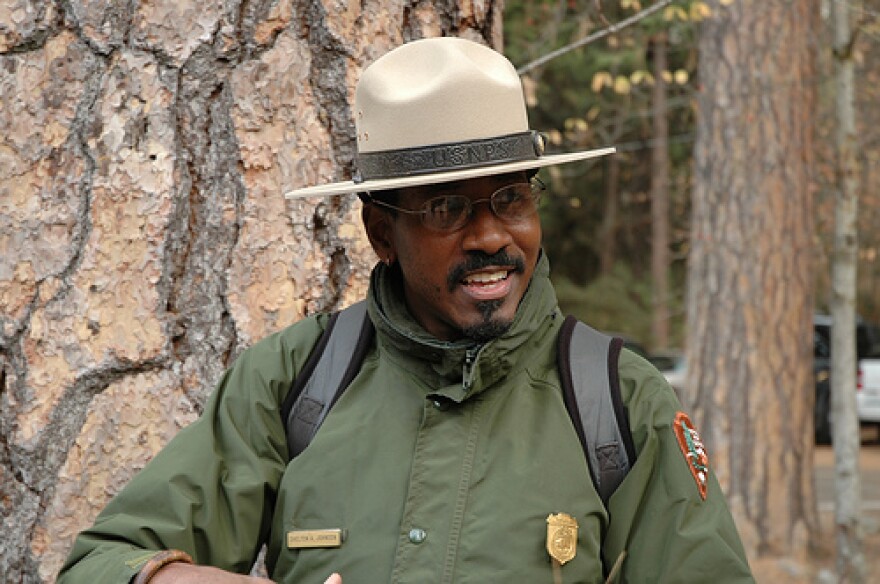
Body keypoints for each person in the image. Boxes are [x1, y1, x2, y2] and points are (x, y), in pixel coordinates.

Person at [59, 36, 754, 584]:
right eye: (448, 207)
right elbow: (100, 563)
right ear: (382, 233)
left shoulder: (617, 400)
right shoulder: (293, 384)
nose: (490, 237)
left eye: (511, 198)